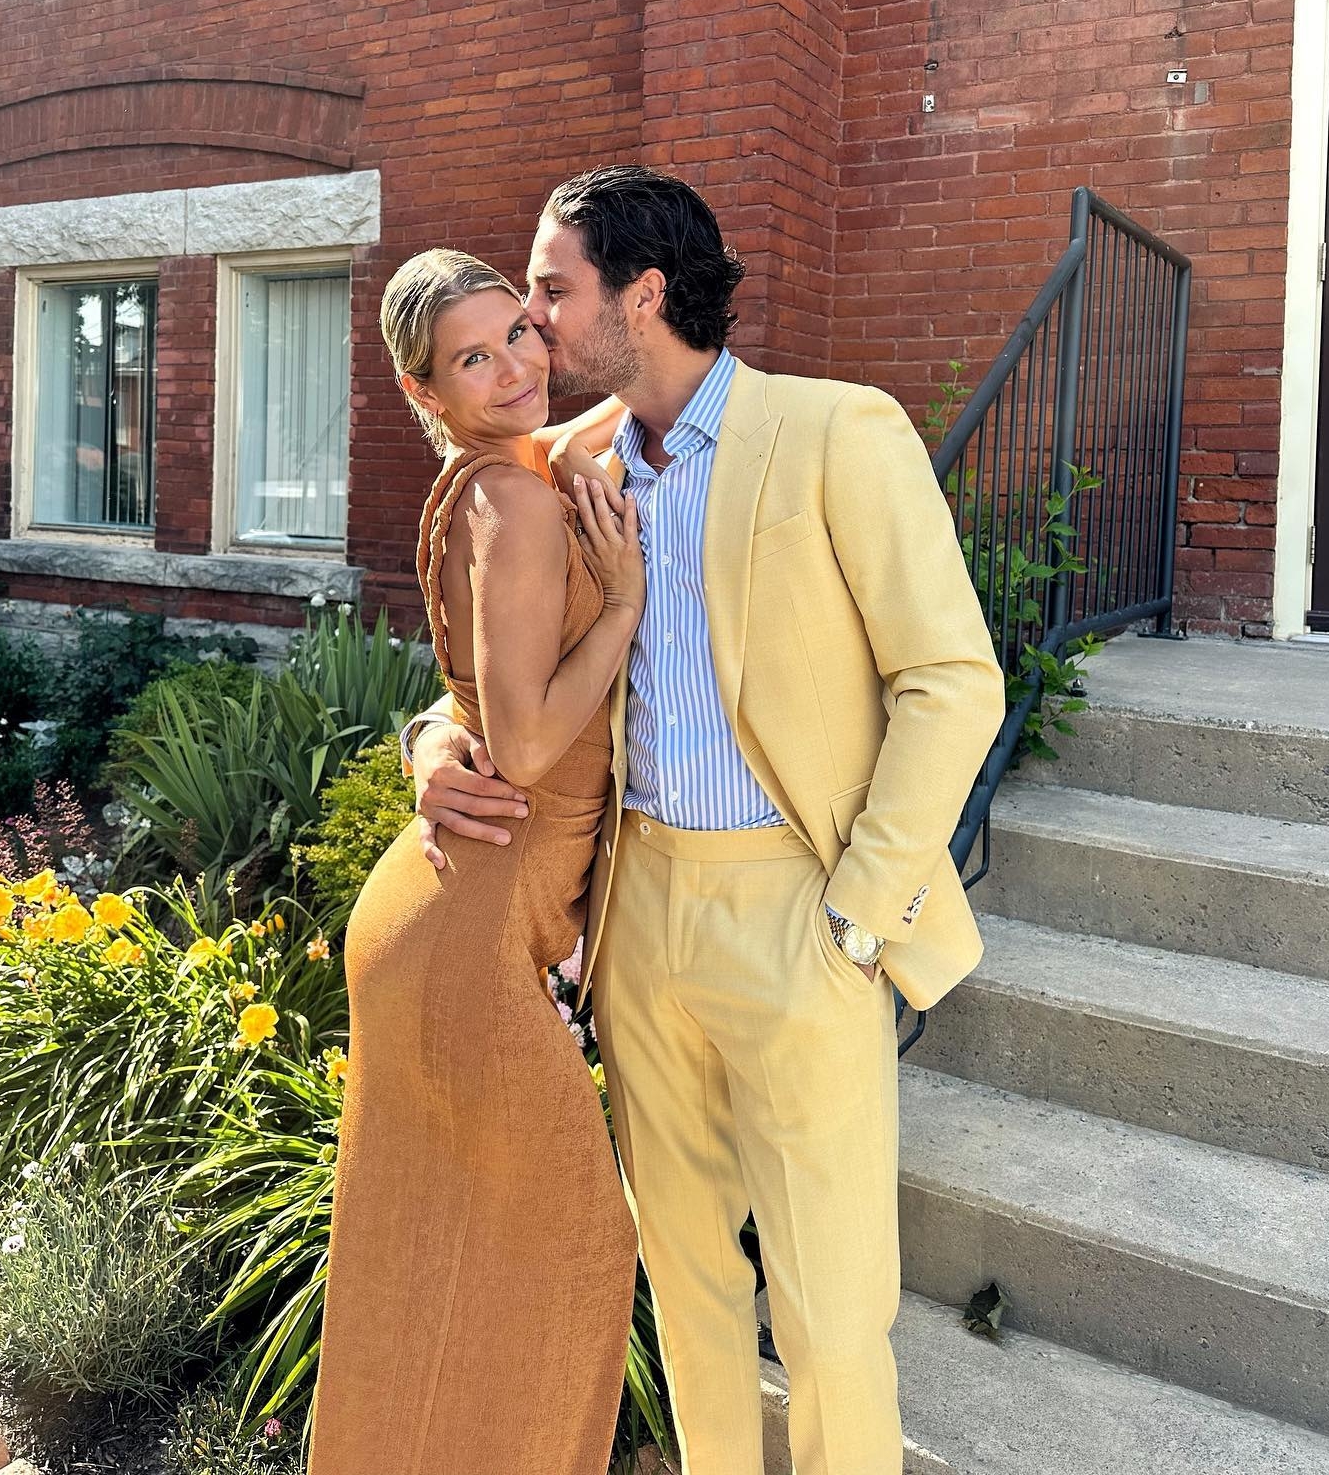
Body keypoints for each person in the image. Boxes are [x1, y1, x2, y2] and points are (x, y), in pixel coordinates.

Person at [404, 168, 1008, 1475]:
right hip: (637, 921)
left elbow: (952, 682)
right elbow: (497, 674)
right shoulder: (562, 464)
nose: (531, 323)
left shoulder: (837, 431)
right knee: (686, 1285)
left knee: (832, 1308)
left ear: (644, 293)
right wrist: (431, 747)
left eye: (553, 291)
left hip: (801, 912)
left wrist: (858, 915)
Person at [305, 249, 641, 1475]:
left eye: (520, 336)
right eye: (473, 358)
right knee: (581, 1248)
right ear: (424, 390)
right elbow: (529, 741)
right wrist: (622, 608)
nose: (513, 370)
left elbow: (617, 408)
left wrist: (426, 736)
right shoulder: (518, 500)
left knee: (424, 1267)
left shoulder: (496, 474)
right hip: (468, 939)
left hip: (448, 905)